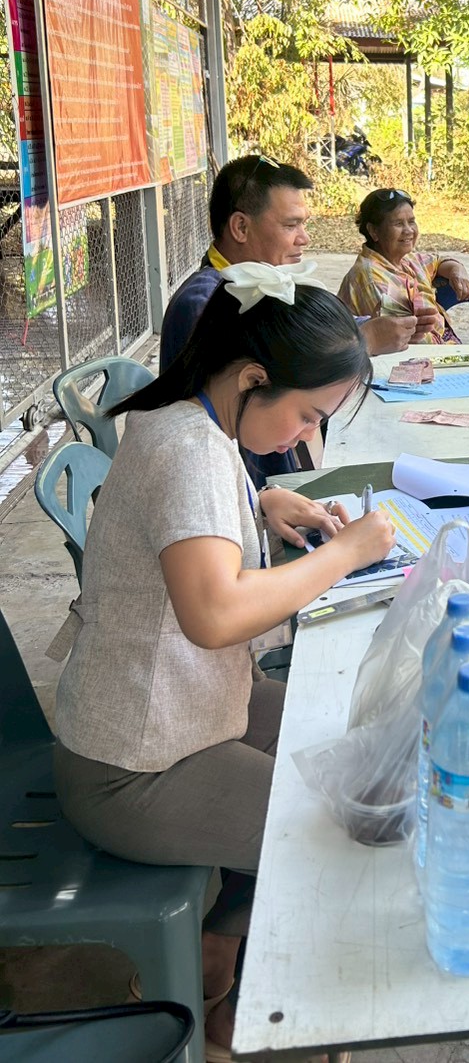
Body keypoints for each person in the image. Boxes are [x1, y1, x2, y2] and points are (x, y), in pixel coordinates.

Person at [51, 264, 395, 1062]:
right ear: (252, 377)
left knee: (338, 733)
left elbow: (189, 524)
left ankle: (217, 946)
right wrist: (344, 554)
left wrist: (260, 504)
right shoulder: (189, 450)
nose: (303, 438)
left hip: (181, 713)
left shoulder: (190, 420)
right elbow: (213, 614)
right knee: (334, 828)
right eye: (307, 414)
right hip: (131, 768)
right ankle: (245, 1021)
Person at [160, 156, 435, 504]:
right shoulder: (205, 304)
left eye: (303, 224)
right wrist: (363, 340)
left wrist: (368, 330)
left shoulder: (261, 284)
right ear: (241, 227)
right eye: (291, 225)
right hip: (248, 494)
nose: (304, 238)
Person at [338, 188, 469, 346]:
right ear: (373, 231)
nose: (409, 230)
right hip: (421, 352)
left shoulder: (404, 259)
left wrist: (457, 270)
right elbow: (412, 341)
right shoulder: (372, 279)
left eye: (411, 221)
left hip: (439, 341)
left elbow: (438, 262)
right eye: (398, 224)